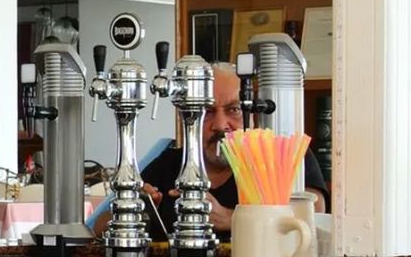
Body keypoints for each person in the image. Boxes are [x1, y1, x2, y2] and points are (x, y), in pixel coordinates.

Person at [139, 62, 327, 238]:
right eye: (207, 112)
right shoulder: (170, 163)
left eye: (234, 110)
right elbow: (121, 216)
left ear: (254, 113)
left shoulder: (281, 155)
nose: (220, 125)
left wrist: (231, 219)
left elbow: (314, 216)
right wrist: (142, 212)